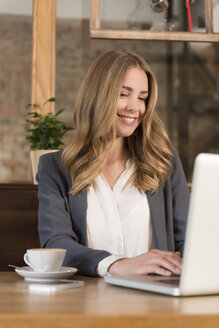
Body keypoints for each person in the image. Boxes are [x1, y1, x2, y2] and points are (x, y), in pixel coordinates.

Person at [37, 50, 189, 277]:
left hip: (158, 301)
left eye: (142, 97)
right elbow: (56, 244)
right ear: (98, 96)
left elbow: (188, 241)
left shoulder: (164, 163)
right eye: (123, 94)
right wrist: (116, 264)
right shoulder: (55, 168)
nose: (134, 107)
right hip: (86, 302)